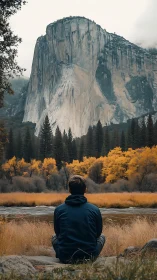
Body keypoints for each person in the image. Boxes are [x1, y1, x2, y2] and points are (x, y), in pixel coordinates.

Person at [52, 175, 105, 263]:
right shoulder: (94, 209)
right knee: (102, 237)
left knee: (54, 237)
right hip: (89, 256)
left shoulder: (59, 209)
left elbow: (58, 233)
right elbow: (98, 234)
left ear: (69, 190)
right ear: (85, 189)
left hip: (65, 257)